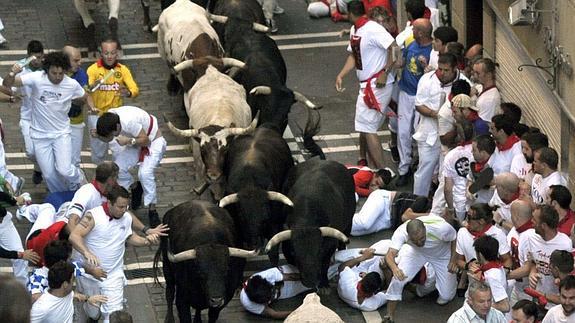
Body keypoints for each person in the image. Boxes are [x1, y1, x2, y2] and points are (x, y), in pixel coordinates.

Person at [3, 51, 94, 193]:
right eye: (54, 73)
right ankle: (61, 195)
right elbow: (7, 84)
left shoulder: (71, 84)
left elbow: (83, 96)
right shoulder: (36, 78)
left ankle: (78, 177)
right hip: (39, 136)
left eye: (60, 73)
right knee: (49, 175)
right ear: (47, 70)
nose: (57, 77)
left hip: (61, 134)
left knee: (64, 169)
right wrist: (12, 73)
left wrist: (85, 105)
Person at [70, 186, 160, 323]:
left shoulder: (126, 218)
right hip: (89, 275)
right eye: (120, 207)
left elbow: (129, 237)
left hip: (113, 275)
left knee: (114, 315)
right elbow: (74, 236)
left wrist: (147, 241)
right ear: (110, 203)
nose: (124, 210)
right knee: (93, 313)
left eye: (126, 206)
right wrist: (86, 252)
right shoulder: (92, 216)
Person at [335, 1, 396, 170]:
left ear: (349, 13)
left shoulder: (373, 29)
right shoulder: (356, 29)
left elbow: (394, 48)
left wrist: (385, 71)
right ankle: (370, 165)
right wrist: (341, 74)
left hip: (377, 85)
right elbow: (354, 55)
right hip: (366, 85)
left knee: (367, 127)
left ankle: (382, 172)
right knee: (364, 125)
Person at [95, 106, 166, 226]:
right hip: (136, 141)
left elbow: (146, 141)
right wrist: (98, 135)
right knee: (117, 168)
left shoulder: (128, 122)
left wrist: (129, 141)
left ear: (117, 127)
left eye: (112, 134)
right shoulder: (109, 119)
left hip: (153, 141)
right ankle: (135, 187)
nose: (111, 137)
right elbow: (108, 138)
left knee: (144, 173)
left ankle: (152, 210)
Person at [412, 53, 470, 196]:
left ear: (455, 68)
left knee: (445, 174)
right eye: (440, 69)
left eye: (446, 70)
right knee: (424, 170)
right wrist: (437, 114)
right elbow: (419, 105)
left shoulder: (464, 83)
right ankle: (417, 201)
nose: (442, 73)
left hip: (451, 139)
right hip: (428, 134)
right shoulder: (427, 80)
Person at [384, 216, 457, 322]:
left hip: (441, 255)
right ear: (408, 235)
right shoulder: (401, 232)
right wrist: (395, 269)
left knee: (445, 297)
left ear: (425, 230)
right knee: (397, 279)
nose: (419, 243)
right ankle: (389, 315)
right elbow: (389, 255)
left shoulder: (441, 229)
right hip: (417, 252)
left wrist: (453, 260)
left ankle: (429, 286)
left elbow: (454, 238)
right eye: (415, 240)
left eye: (422, 239)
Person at [508, 205, 572, 310]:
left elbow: (567, 276)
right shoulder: (530, 237)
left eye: (534, 219)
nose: (531, 221)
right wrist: (533, 271)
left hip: (557, 304)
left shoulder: (565, 244)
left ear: (543, 225)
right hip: (537, 300)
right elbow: (531, 262)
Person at [87, 38, 139, 165]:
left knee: (119, 151)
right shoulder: (92, 70)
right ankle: (100, 176)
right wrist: (94, 85)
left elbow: (135, 89)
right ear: (101, 53)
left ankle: (118, 176)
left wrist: (127, 92)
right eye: (106, 53)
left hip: (115, 118)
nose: (109, 56)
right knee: (98, 154)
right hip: (97, 116)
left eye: (112, 53)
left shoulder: (123, 70)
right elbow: (87, 89)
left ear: (117, 53)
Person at [394, 18, 433, 186]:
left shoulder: (432, 51)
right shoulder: (411, 44)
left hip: (421, 98)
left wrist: (427, 67)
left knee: (419, 133)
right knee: (403, 132)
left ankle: (417, 163)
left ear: (422, 33)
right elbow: (402, 62)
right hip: (405, 93)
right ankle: (404, 168)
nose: (412, 32)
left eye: (415, 30)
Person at [30, 260, 107, 323]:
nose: (73, 282)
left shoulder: (65, 294)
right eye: (72, 279)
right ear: (65, 284)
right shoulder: (41, 308)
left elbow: (75, 296)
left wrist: (88, 298)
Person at [13, 40, 45, 185]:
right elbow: (10, 87)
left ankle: (44, 172)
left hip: (45, 118)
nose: (37, 61)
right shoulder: (20, 68)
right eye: (34, 58)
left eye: (40, 57)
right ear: (28, 56)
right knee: (31, 151)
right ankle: (39, 168)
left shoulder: (48, 69)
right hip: (27, 117)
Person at [240, 264, 312, 318]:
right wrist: (298, 313)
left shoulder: (266, 276)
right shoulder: (248, 304)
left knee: (308, 274)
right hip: (281, 292)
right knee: (309, 286)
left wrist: (308, 278)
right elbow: (274, 314)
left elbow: (290, 276)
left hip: (283, 274)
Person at [468, 235, 510, 313]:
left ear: (480, 254)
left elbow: (505, 307)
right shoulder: (496, 267)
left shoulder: (492, 276)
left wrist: (475, 305)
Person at [63, 45, 88, 168]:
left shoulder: (81, 74)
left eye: (80, 59)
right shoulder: (54, 74)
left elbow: (84, 97)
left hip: (76, 121)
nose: (80, 63)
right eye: (76, 60)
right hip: (58, 124)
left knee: (75, 160)